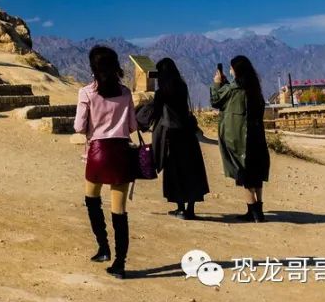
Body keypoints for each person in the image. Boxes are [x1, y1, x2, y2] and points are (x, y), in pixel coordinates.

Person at [74, 46, 137, 279]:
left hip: (97, 152)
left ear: (93, 67)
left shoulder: (87, 92)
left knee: (92, 199)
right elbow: (132, 126)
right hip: (121, 152)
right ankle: (120, 263)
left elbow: (79, 127)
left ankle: (103, 247)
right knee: (119, 211)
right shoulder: (125, 93)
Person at [143, 58, 209, 220]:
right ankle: (191, 209)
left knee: (175, 171)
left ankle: (180, 209)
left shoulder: (162, 93)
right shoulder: (182, 87)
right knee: (191, 171)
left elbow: (154, 112)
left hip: (170, 137)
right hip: (187, 134)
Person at [210, 55, 271, 222]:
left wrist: (217, 83)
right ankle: (258, 210)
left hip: (239, 139)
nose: (229, 71)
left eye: (231, 68)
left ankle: (253, 212)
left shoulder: (233, 90)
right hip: (257, 137)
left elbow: (216, 100)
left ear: (236, 70)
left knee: (245, 175)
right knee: (256, 174)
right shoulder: (255, 89)